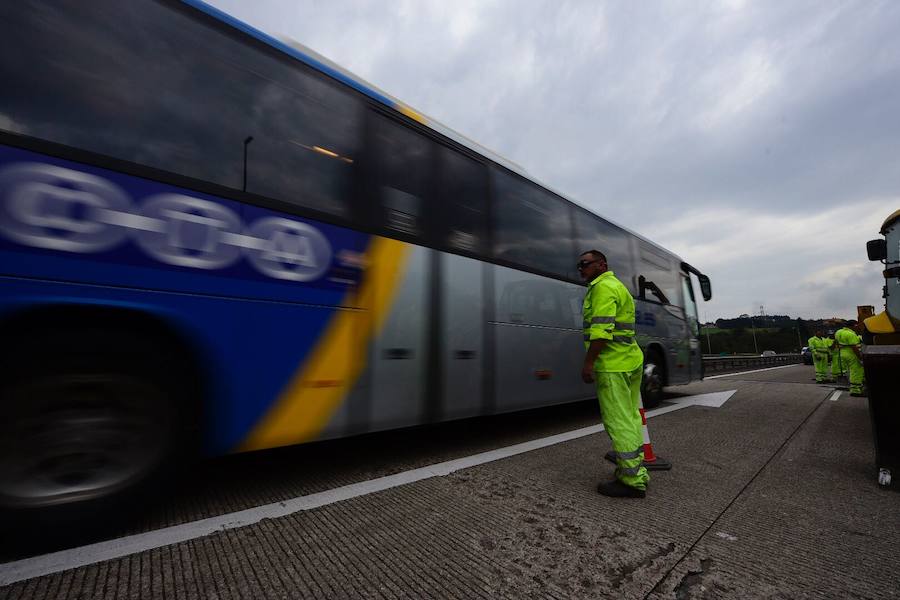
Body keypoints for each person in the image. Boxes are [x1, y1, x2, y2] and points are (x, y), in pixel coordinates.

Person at [578, 249, 649, 498]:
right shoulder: (617, 285)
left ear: (601, 264)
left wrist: (588, 364)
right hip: (629, 360)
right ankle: (635, 469)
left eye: (585, 264)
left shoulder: (602, 288)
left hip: (613, 365)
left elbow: (601, 333)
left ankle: (631, 480)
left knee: (618, 421)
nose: (581, 269)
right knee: (630, 418)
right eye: (579, 265)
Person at [835, 323, 866, 396]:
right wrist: (860, 357)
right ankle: (855, 390)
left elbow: (836, 342)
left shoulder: (839, 332)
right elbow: (854, 347)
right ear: (853, 325)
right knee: (856, 370)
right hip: (851, 353)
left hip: (842, 353)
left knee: (851, 370)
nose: (857, 327)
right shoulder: (851, 334)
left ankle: (855, 388)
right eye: (856, 326)